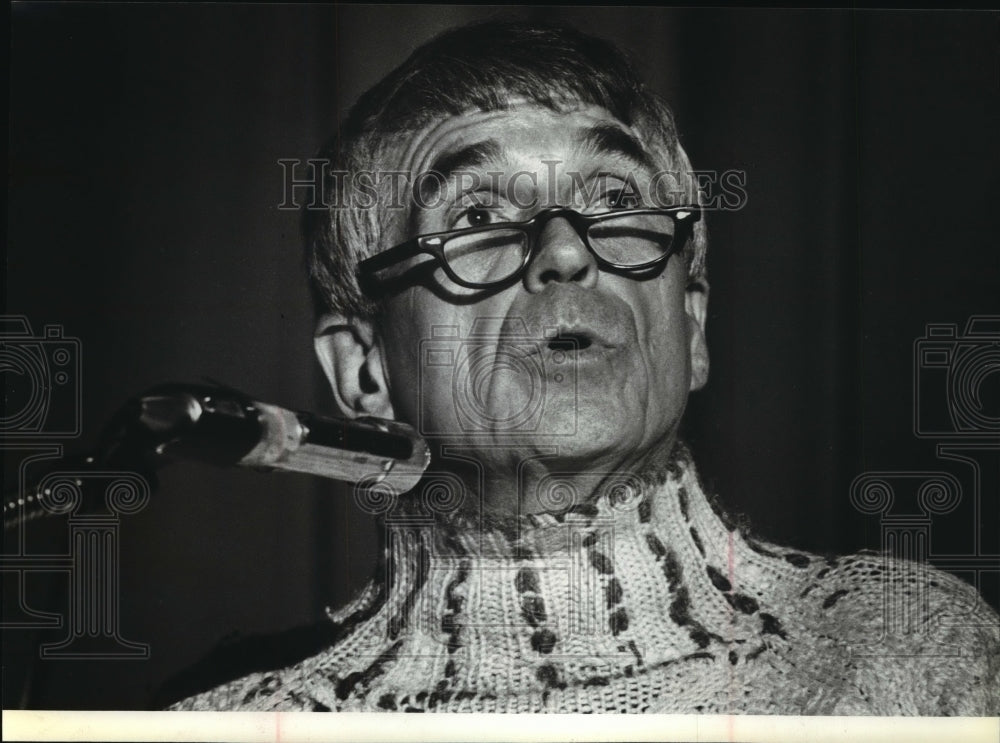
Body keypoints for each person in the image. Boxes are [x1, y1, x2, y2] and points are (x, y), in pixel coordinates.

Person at [168, 20, 999, 714]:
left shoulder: (910, 651)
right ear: (364, 371)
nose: (565, 251)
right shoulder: (235, 718)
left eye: (615, 201)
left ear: (692, 324)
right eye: (480, 215)